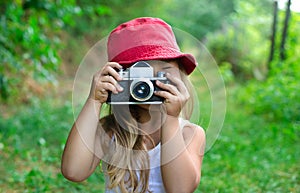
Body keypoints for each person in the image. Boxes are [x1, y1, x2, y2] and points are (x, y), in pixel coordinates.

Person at [61, 17, 206, 193]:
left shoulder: (189, 134)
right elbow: (73, 171)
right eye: (140, 76)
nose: (149, 84)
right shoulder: (110, 130)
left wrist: (171, 118)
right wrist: (94, 100)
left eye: (163, 72)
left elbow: (180, 189)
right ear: (118, 79)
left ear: (180, 74)